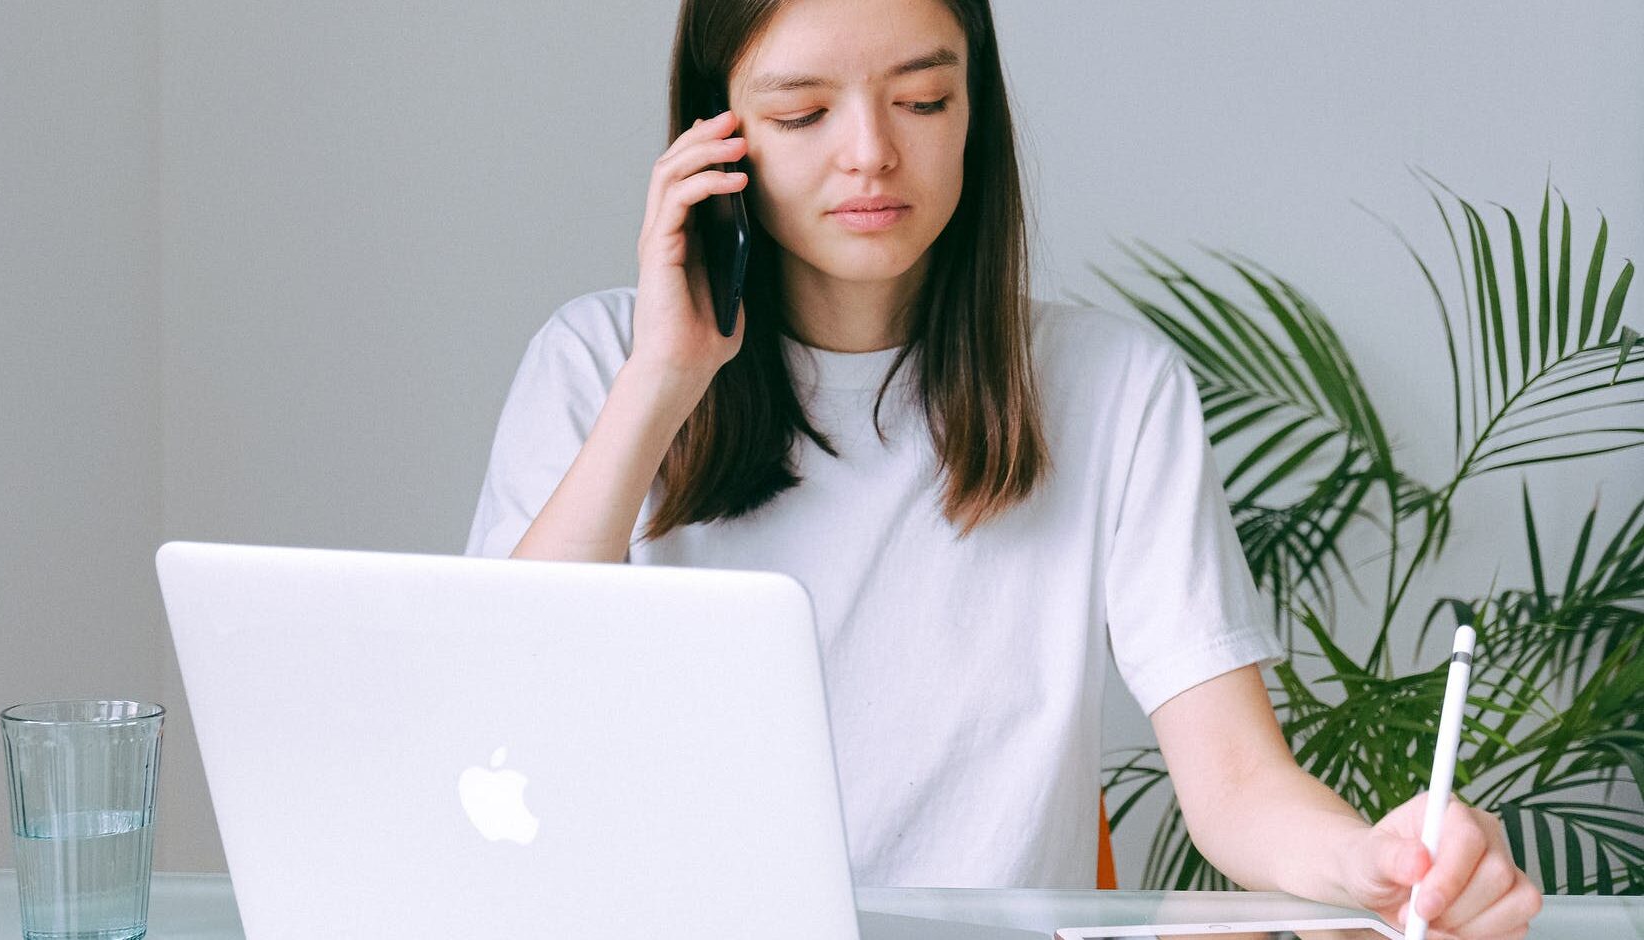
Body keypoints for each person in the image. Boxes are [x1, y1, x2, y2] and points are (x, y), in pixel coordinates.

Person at [465, 0, 1542, 936]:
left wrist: (1372, 865)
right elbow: (498, 711)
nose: (870, 153)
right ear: (715, 137)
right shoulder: (596, 365)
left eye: (923, 101)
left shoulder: (1113, 388)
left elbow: (1236, 784)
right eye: (801, 113)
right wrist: (661, 378)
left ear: (974, 110)